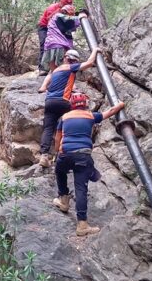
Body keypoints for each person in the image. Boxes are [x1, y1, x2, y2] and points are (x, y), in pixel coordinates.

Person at [51, 92, 125, 236]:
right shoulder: (91, 116)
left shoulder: (64, 118)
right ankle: (82, 225)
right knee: (80, 189)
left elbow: (57, 137)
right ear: (85, 104)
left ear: (71, 105)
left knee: (60, 172)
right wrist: (121, 104)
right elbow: (110, 112)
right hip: (83, 156)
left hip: (65, 153)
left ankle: (63, 200)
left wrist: (57, 152)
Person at [37, 47, 100, 167]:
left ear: (65, 58)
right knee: (74, 120)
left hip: (49, 101)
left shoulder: (56, 70)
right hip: (63, 102)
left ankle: (44, 155)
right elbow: (89, 63)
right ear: (74, 61)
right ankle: (69, 151)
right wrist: (95, 51)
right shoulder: (71, 68)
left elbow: (51, 79)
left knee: (48, 128)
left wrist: (43, 87)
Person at [40, 5, 86, 73]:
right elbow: (70, 20)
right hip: (58, 45)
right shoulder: (59, 16)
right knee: (62, 70)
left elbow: (71, 26)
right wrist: (80, 17)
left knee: (54, 71)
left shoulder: (56, 20)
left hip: (49, 46)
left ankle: (54, 82)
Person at [37, 0, 73, 72]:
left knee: (64, 44)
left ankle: (61, 66)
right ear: (62, 2)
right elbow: (51, 24)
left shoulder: (69, 9)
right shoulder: (52, 8)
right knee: (45, 44)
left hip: (58, 27)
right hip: (44, 27)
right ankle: (42, 69)